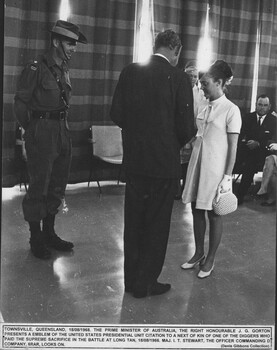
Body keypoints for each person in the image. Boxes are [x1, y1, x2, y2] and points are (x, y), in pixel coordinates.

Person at [110, 29, 194, 297]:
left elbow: (116, 113)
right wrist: (169, 144)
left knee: (133, 223)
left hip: (135, 163)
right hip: (163, 165)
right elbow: (186, 127)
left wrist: (137, 138)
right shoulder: (179, 78)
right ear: (176, 51)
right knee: (156, 226)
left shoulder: (129, 72)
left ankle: (131, 281)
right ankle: (147, 283)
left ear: (155, 45)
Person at [14, 20, 87, 259]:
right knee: (39, 186)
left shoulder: (63, 67)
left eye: (75, 44)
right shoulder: (36, 68)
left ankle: (49, 233)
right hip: (42, 130)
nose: (74, 48)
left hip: (61, 130)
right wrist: (33, 130)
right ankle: (36, 238)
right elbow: (20, 104)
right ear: (56, 42)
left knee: (57, 185)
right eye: (69, 43)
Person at [181, 60, 241, 278]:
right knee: (196, 209)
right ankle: (198, 253)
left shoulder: (231, 110)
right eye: (200, 83)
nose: (202, 87)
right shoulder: (204, 106)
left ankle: (211, 259)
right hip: (198, 165)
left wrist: (227, 177)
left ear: (220, 82)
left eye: (205, 83)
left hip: (216, 170)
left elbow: (233, 147)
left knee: (215, 214)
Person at [175, 60, 208, 199]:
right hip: (179, 131)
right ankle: (175, 189)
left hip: (194, 131)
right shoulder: (177, 89)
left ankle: (186, 189)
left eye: (195, 76)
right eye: (189, 75)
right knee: (176, 161)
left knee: (190, 162)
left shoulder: (200, 93)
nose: (192, 78)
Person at [236, 95, 276, 205]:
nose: (262, 108)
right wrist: (247, 143)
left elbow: (272, 140)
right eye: (260, 104)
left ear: (269, 107)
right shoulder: (247, 117)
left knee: (251, 163)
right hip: (246, 149)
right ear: (256, 105)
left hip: (264, 153)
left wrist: (258, 143)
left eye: (265, 105)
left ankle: (240, 195)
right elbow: (240, 136)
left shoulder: (274, 121)